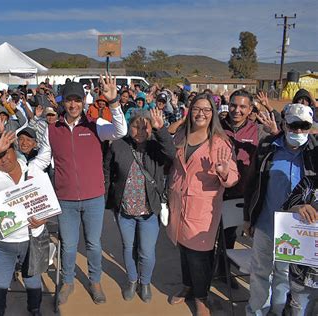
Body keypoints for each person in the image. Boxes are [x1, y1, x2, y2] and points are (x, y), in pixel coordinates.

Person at [47, 74, 128, 305]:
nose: (73, 105)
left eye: (78, 100)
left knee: (93, 244)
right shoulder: (52, 129)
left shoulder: (96, 126)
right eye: (69, 100)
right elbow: (42, 160)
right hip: (66, 199)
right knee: (69, 245)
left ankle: (95, 281)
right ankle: (68, 282)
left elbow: (120, 131)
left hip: (93, 197)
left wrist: (114, 103)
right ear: (63, 102)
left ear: (84, 102)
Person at [167, 93, 239, 316]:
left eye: (207, 110)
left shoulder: (219, 141)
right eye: (197, 109)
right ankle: (188, 286)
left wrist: (224, 172)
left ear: (213, 114)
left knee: (199, 256)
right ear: (189, 111)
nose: (201, 114)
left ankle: (202, 297)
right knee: (183, 250)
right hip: (178, 203)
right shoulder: (181, 136)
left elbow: (233, 176)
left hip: (202, 207)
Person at [244, 103, 317, 316]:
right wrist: (248, 218)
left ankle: (276, 312)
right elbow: (251, 184)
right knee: (259, 273)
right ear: (285, 124)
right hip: (266, 223)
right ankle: (256, 312)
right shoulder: (268, 147)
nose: (299, 131)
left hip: (296, 230)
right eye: (294, 125)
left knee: (283, 275)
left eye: (305, 126)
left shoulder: (314, 152)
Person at [0, 131, 48, 316]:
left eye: (6, 153)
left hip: (31, 239)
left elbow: (46, 200)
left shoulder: (31, 168)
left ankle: (34, 309)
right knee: (1, 284)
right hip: (2, 243)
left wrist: (43, 218)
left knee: (33, 280)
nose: (3, 159)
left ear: (14, 150)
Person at [104, 108, 175, 303]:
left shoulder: (156, 147)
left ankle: (145, 283)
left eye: (145, 127)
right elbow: (108, 172)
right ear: (129, 126)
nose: (140, 131)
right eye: (136, 126)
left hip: (149, 211)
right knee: (128, 247)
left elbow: (172, 154)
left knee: (147, 251)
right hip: (125, 211)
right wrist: (108, 200)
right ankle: (132, 281)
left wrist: (161, 131)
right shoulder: (118, 145)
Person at [218, 89, 279, 287]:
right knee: (210, 236)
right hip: (213, 192)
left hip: (240, 194)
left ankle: (223, 270)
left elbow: (280, 146)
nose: (237, 110)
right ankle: (209, 269)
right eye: (234, 105)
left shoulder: (258, 131)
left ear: (250, 109)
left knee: (229, 236)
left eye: (243, 106)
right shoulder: (217, 127)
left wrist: (275, 134)